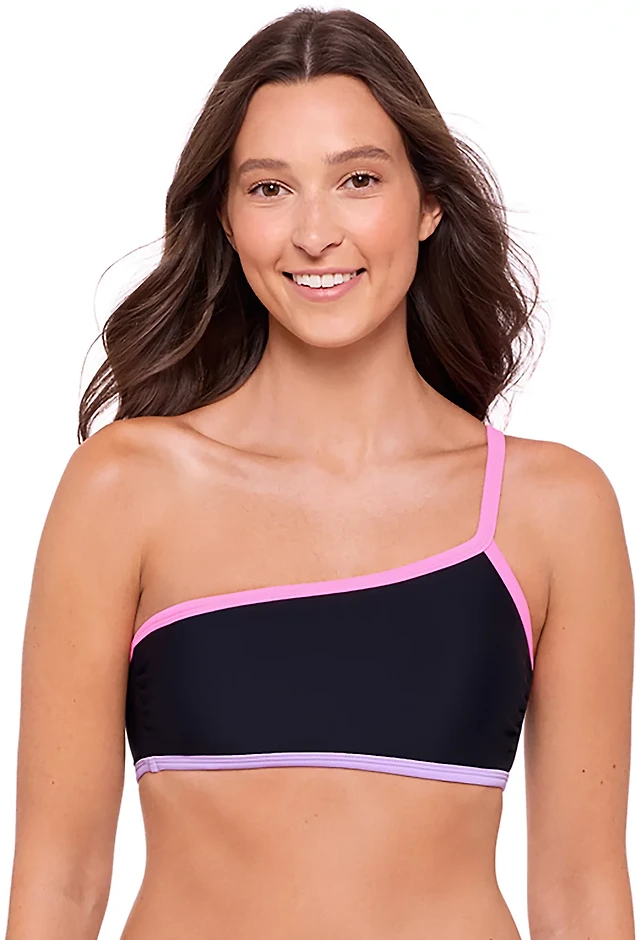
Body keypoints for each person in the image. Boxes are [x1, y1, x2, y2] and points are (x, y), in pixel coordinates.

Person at [5, 7, 635, 940]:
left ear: (428, 204)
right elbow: (57, 885)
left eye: (358, 180)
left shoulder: (553, 509)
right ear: (226, 219)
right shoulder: (125, 490)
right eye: (270, 188)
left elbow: (584, 897)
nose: (314, 233)